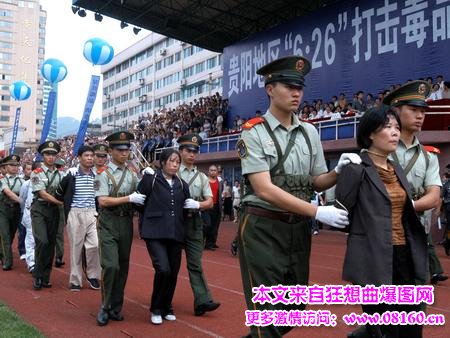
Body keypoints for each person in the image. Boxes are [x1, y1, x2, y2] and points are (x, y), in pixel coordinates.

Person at [237, 55, 360, 337]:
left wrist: (337, 171)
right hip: (262, 228)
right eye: (288, 86)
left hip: (298, 229)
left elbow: (317, 181)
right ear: (270, 89)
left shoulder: (309, 132)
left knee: (293, 309)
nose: (296, 93)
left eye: (300, 88)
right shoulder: (253, 132)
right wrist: (317, 212)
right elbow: (264, 189)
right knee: (266, 314)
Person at [336, 108, 427, 338]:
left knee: (411, 324)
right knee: (384, 329)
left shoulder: (396, 170)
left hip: (405, 255)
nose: (395, 132)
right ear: (370, 135)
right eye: (388, 127)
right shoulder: (355, 168)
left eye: (397, 127)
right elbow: (342, 212)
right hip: (373, 258)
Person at [383, 80, 447, 285]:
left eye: (423, 111)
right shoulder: (380, 150)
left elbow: (434, 195)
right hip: (384, 235)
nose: (420, 116)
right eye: (413, 109)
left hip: (417, 232)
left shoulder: (429, 157)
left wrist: (409, 206)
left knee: (416, 300)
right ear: (396, 111)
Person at [95, 131, 146, 326]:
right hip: (108, 222)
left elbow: (140, 194)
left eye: (126, 150)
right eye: (120, 150)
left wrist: (149, 180)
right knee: (111, 266)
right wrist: (128, 198)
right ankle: (105, 306)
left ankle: (116, 307)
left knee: (123, 267)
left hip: (125, 223)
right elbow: (103, 200)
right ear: (110, 151)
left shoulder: (132, 173)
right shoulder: (103, 174)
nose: (124, 153)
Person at [137, 148, 190, 325]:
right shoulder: (151, 179)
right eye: (172, 161)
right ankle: (156, 307)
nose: (175, 165)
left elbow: (186, 208)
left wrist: (193, 207)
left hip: (175, 232)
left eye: (178, 162)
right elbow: (139, 203)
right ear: (163, 162)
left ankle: (167, 306)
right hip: (154, 232)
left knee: (173, 272)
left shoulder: (182, 184)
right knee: (163, 269)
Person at [177, 133, 220, 316]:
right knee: (169, 266)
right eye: (188, 150)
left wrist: (198, 204)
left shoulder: (202, 177)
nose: (192, 154)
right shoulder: (172, 172)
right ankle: (162, 302)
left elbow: (210, 201)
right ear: (180, 151)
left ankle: (202, 300)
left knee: (195, 263)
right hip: (174, 223)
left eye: (195, 151)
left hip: (194, 222)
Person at [55, 145, 101, 292]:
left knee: (95, 244)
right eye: (86, 155)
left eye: (91, 156)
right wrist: (68, 209)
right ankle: (75, 280)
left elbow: (99, 195)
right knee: (76, 247)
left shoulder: (97, 175)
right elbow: (58, 193)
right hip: (75, 213)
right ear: (79, 158)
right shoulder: (71, 175)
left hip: (92, 213)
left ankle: (93, 275)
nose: (89, 158)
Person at [30, 141, 64, 289]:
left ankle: (45, 277)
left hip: (54, 211)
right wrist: (60, 202)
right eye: (47, 154)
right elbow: (42, 193)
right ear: (42, 155)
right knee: (42, 241)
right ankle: (37, 275)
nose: (50, 157)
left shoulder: (61, 174)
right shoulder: (36, 172)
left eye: (53, 154)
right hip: (39, 209)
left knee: (50, 245)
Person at [0, 155, 24, 270]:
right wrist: (22, 201)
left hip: (16, 211)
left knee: (11, 235)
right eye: (11, 165)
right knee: (5, 234)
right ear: (5, 167)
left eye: (16, 165)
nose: (15, 167)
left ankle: (2, 252)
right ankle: (7, 262)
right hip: (3, 210)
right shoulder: (2, 180)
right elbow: (8, 192)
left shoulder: (22, 180)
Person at [19, 161, 40, 273]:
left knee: (41, 239)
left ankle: (38, 260)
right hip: (29, 212)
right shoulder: (27, 184)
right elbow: (22, 199)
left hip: (41, 213)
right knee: (30, 237)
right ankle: (31, 262)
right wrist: (25, 211)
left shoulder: (45, 182)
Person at [204, 165, 223, 250]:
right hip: (207, 206)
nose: (213, 172)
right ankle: (202, 242)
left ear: (217, 172)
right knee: (207, 224)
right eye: (211, 170)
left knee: (215, 226)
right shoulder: (205, 181)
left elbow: (220, 193)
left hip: (216, 206)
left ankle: (211, 243)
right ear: (208, 171)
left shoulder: (220, 182)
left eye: (215, 170)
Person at [54, 158, 66, 268]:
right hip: (60, 206)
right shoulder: (64, 176)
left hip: (51, 206)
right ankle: (59, 256)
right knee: (59, 233)